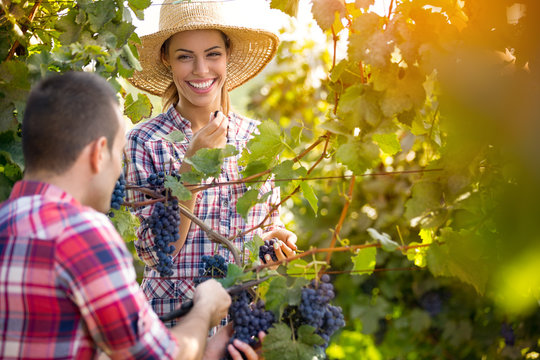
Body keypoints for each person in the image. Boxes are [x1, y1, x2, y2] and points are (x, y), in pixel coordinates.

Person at [0, 71, 258, 360]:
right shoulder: (82, 235)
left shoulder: (6, 223)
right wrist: (205, 309)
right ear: (99, 153)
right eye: (118, 154)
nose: (119, 173)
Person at [125, 0, 298, 331]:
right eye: (185, 56)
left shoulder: (257, 138)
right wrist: (192, 167)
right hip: (170, 327)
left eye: (213, 53)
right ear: (167, 60)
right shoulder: (145, 141)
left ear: (228, 54)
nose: (201, 69)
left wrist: (274, 241)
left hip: (241, 326)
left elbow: (263, 231)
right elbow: (153, 253)